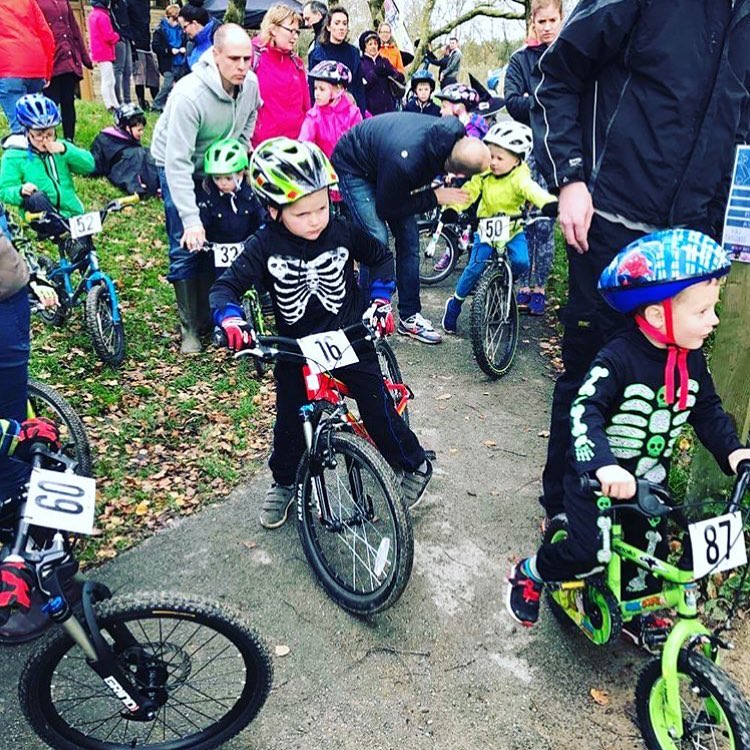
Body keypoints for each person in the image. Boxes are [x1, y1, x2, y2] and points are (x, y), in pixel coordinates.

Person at [531, 0, 750, 524]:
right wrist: (571, 179)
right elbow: (557, 76)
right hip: (608, 225)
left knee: (667, 380)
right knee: (592, 373)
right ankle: (567, 512)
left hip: (688, 244)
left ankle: (627, 513)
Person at [506, 230, 750, 630]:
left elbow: (706, 409)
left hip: (649, 482)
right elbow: (585, 410)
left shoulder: (691, 363)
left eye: (713, 308)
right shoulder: (617, 358)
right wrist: (603, 466)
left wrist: (733, 451)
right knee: (588, 552)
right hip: (597, 484)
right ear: (657, 315)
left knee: (650, 549)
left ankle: (641, 607)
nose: (714, 320)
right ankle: (533, 571)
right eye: (703, 312)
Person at [210, 138, 433, 528]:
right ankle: (283, 482)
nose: (316, 219)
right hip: (294, 349)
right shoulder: (263, 246)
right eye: (302, 213)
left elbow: (381, 257)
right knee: (289, 425)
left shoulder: (341, 231)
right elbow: (224, 287)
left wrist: (380, 301)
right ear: (273, 210)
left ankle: (414, 464)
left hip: (347, 337)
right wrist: (231, 320)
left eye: (321, 207)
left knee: (376, 408)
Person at [150, 24, 261, 354]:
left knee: (225, 232)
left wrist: (238, 159)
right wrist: (191, 218)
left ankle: (219, 309)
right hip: (178, 163)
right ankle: (190, 327)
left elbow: (249, 119)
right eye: (234, 58)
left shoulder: (250, 84)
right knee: (188, 240)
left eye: (248, 58)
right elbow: (177, 162)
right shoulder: (190, 96)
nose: (242, 66)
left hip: (221, 164)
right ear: (215, 56)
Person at [332, 113, 491, 344]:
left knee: (410, 242)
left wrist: (432, 194)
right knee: (376, 240)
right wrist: (434, 197)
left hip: (386, 166)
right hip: (354, 165)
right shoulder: (409, 161)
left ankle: (409, 316)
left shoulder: (448, 136)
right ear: (458, 173)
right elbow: (388, 208)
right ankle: (363, 319)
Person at [441, 122, 556, 334]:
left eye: (499, 158)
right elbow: (469, 192)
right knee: (474, 268)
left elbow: (531, 190)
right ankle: (455, 303)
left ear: (517, 159)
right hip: (486, 228)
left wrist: (546, 203)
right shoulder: (484, 174)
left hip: (512, 229)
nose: (493, 162)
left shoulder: (520, 175)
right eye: (491, 156)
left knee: (521, 261)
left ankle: (504, 284)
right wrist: (453, 209)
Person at [504, 0, 563, 317]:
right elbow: (512, 101)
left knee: (545, 224)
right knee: (524, 223)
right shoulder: (519, 60)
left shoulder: (569, 56)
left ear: (560, 19)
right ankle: (522, 286)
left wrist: (536, 99)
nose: (547, 26)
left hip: (557, 152)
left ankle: (539, 288)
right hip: (525, 152)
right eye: (541, 21)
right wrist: (546, 99)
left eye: (553, 20)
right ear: (533, 22)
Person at [0, 95, 95, 241]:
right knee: (36, 197)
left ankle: (72, 233)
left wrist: (65, 150)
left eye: (50, 134)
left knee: (86, 255)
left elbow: (89, 165)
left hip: (72, 212)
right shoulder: (13, 156)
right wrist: (20, 190)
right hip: (41, 215)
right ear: (27, 132)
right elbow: (4, 190)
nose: (45, 140)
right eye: (38, 135)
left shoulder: (60, 147)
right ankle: (63, 234)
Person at [250, 4, 309, 148]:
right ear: (273, 29)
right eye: (291, 31)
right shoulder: (251, 57)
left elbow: (306, 107)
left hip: (295, 147)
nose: (295, 37)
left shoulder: (297, 63)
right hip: (262, 148)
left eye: (297, 32)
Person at [36, 0, 93, 143]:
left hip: (67, 58)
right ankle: (47, 139)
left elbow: (74, 28)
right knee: (50, 103)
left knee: (68, 101)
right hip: (50, 60)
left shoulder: (63, 1)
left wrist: (85, 57)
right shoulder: (34, 2)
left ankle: (69, 139)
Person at [197, 137, 265, 249]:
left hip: (248, 251)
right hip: (214, 253)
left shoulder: (252, 194)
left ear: (241, 173)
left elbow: (262, 219)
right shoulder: (208, 194)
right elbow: (203, 221)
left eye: (229, 178)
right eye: (217, 178)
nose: (222, 183)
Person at [0, 0, 55, 134]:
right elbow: (47, 36)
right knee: (35, 124)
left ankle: (22, 152)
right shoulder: (29, 2)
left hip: (10, 70)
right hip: (36, 68)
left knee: (19, 128)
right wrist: (47, 71)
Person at [307, 6, 366, 117]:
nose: (341, 27)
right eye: (337, 23)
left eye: (344, 23)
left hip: (350, 114)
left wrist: (361, 114)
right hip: (326, 116)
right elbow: (312, 89)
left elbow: (359, 87)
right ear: (329, 26)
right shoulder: (317, 54)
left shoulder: (354, 53)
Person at [90, 103, 159, 196]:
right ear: (127, 128)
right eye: (139, 130)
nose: (142, 133)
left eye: (142, 129)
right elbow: (124, 170)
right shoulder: (106, 141)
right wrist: (135, 186)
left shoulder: (130, 143)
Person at [299, 61, 361, 158]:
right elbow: (303, 142)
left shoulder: (353, 114)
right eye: (315, 88)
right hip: (326, 168)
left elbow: (359, 144)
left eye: (322, 89)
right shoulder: (314, 116)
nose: (316, 93)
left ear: (338, 90)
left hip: (349, 167)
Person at [151, 4, 187, 112]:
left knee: (181, 86)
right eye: (173, 19)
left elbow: (187, 41)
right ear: (167, 17)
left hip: (180, 61)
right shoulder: (160, 29)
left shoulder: (182, 29)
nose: (175, 22)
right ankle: (156, 105)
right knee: (167, 85)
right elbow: (155, 46)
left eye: (177, 20)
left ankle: (176, 106)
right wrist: (169, 50)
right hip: (167, 62)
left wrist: (184, 48)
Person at [359, 30, 404, 116]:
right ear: (364, 47)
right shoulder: (361, 63)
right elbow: (362, 86)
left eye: (375, 44)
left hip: (389, 108)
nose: (373, 47)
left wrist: (391, 72)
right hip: (371, 111)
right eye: (370, 44)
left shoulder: (384, 61)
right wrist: (375, 73)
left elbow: (400, 77)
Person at [87, 0, 121, 112]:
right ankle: (109, 105)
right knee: (108, 80)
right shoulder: (103, 16)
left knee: (109, 79)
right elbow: (108, 36)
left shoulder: (93, 15)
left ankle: (114, 104)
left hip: (98, 51)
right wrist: (117, 36)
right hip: (104, 51)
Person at [127, 0, 160, 110]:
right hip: (136, 43)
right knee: (139, 76)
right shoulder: (129, 3)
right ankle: (142, 102)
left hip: (146, 42)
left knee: (153, 75)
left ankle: (156, 103)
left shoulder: (145, 3)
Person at [180, 2, 219, 72]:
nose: (183, 31)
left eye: (185, 27)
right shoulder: (191, 43)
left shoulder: (220, 39)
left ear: (194, 23)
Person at [110, 0, 134, 105]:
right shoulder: (112, 4)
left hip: (127, 35)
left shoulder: (124, 3)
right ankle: (118, 101)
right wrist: (118, 34)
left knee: (128, 69)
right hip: (119, 37)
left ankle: (127, 100)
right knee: (118, 69)